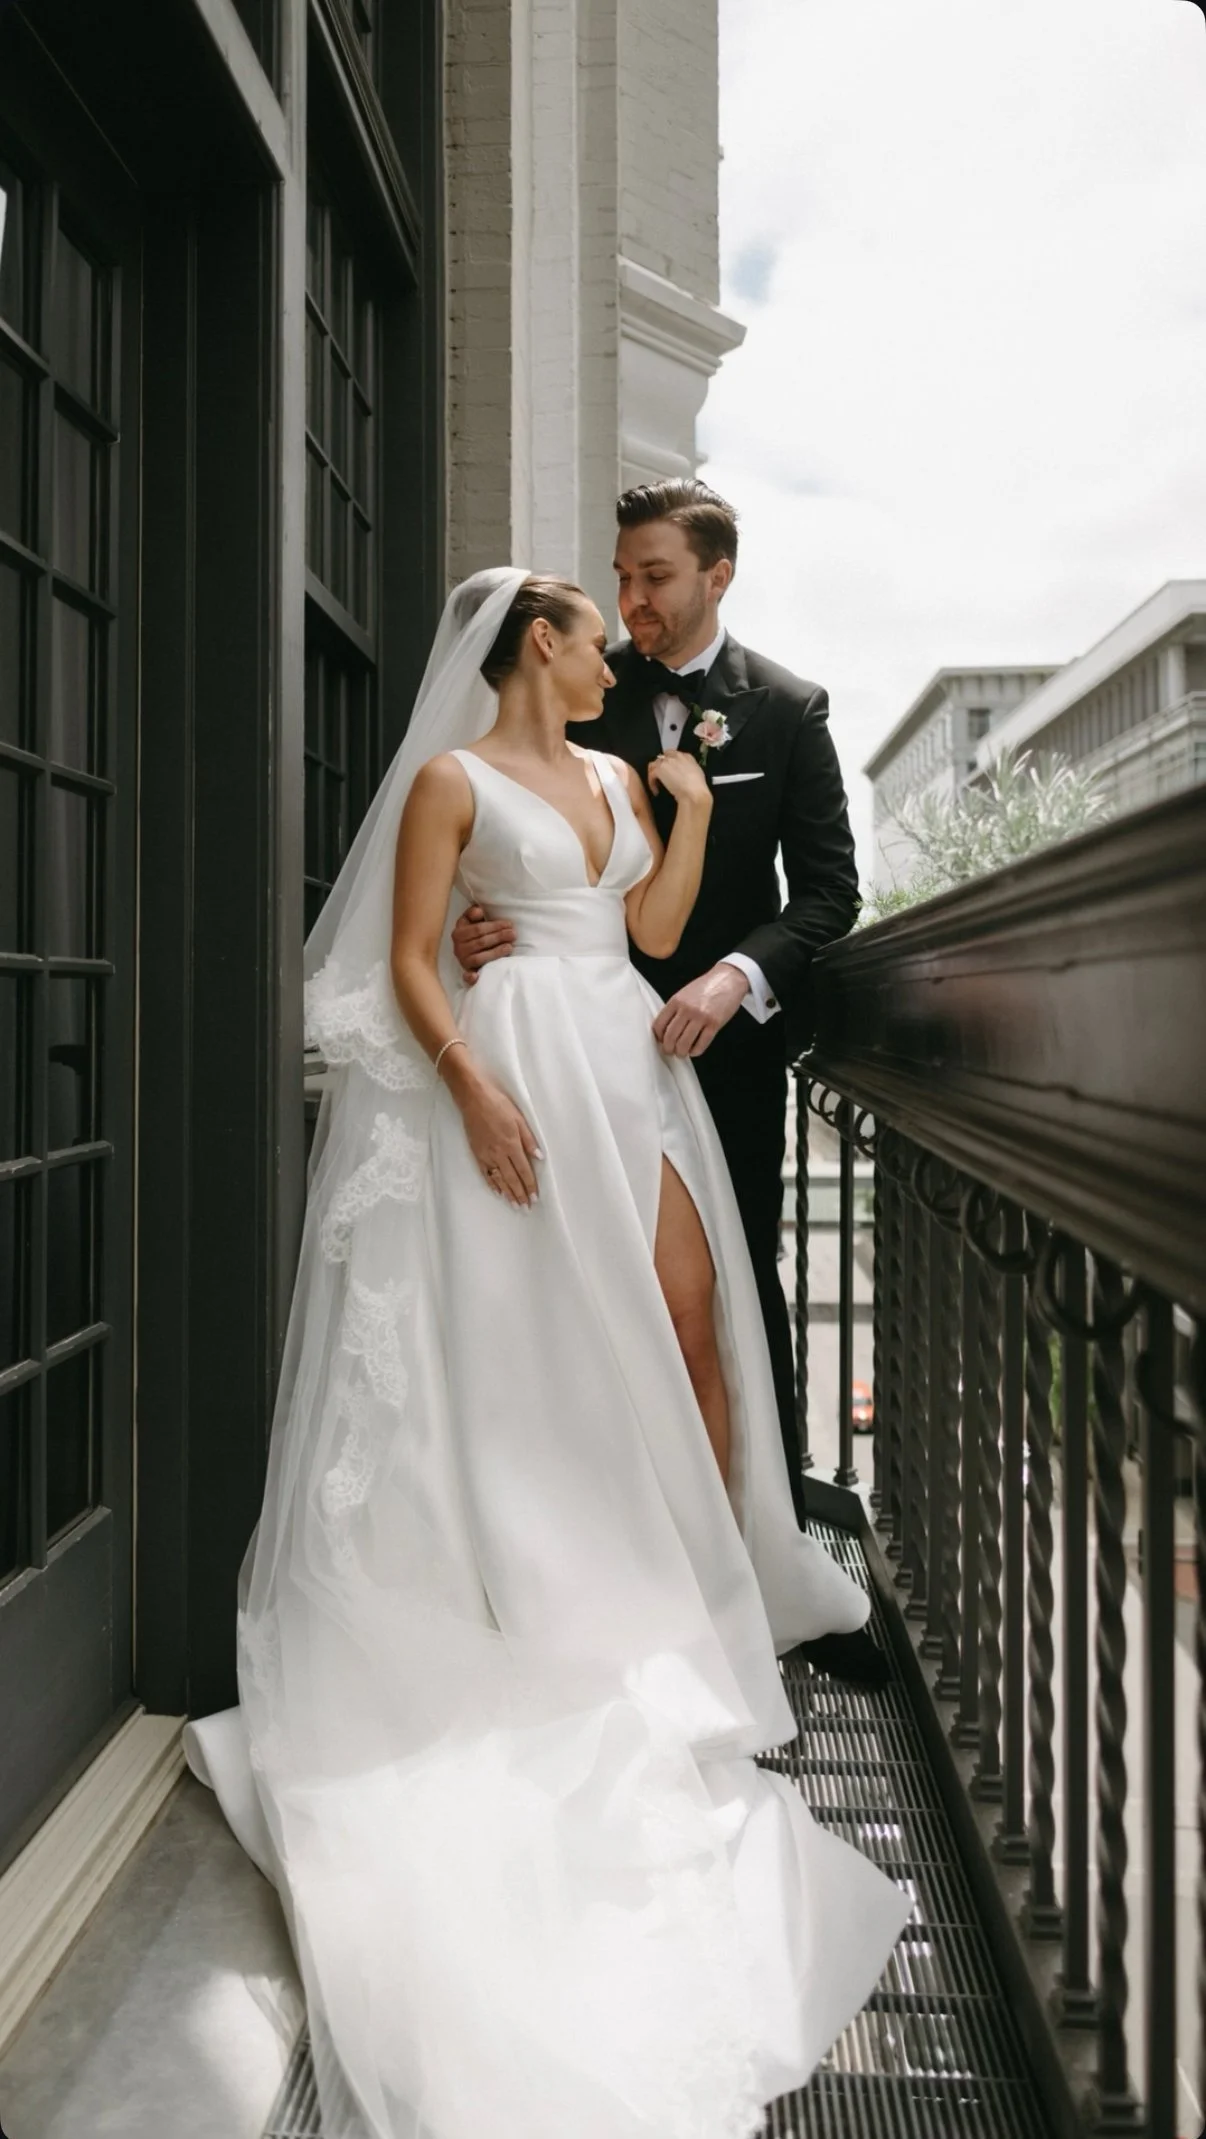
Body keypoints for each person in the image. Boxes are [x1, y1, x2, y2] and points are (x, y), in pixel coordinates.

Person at [184, 568, 907, 2139]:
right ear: (536, 643)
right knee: (549, 1337)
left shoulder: (619, 774)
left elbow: (647, 926)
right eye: (591, 637)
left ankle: (708, 1574)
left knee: (687, 1312)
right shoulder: (452, 780)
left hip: (623, 1054)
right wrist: (473, 1086)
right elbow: (407, 956)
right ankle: (555, 1575)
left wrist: (685, 814)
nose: (612, 657)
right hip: (515, 1061)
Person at [454, 482, 881, 1687]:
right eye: (622, 577)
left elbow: (830, 892)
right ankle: (608, 1568)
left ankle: (766, 1572)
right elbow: (509, 831)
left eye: (654, 576)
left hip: (717, 1061)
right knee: (566, 1298)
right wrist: (485, 929)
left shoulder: (786, 709)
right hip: (560, 1045)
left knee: (735, 1297)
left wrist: (736, 979)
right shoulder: (584, 686)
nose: (632, 598)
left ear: (716, 575)